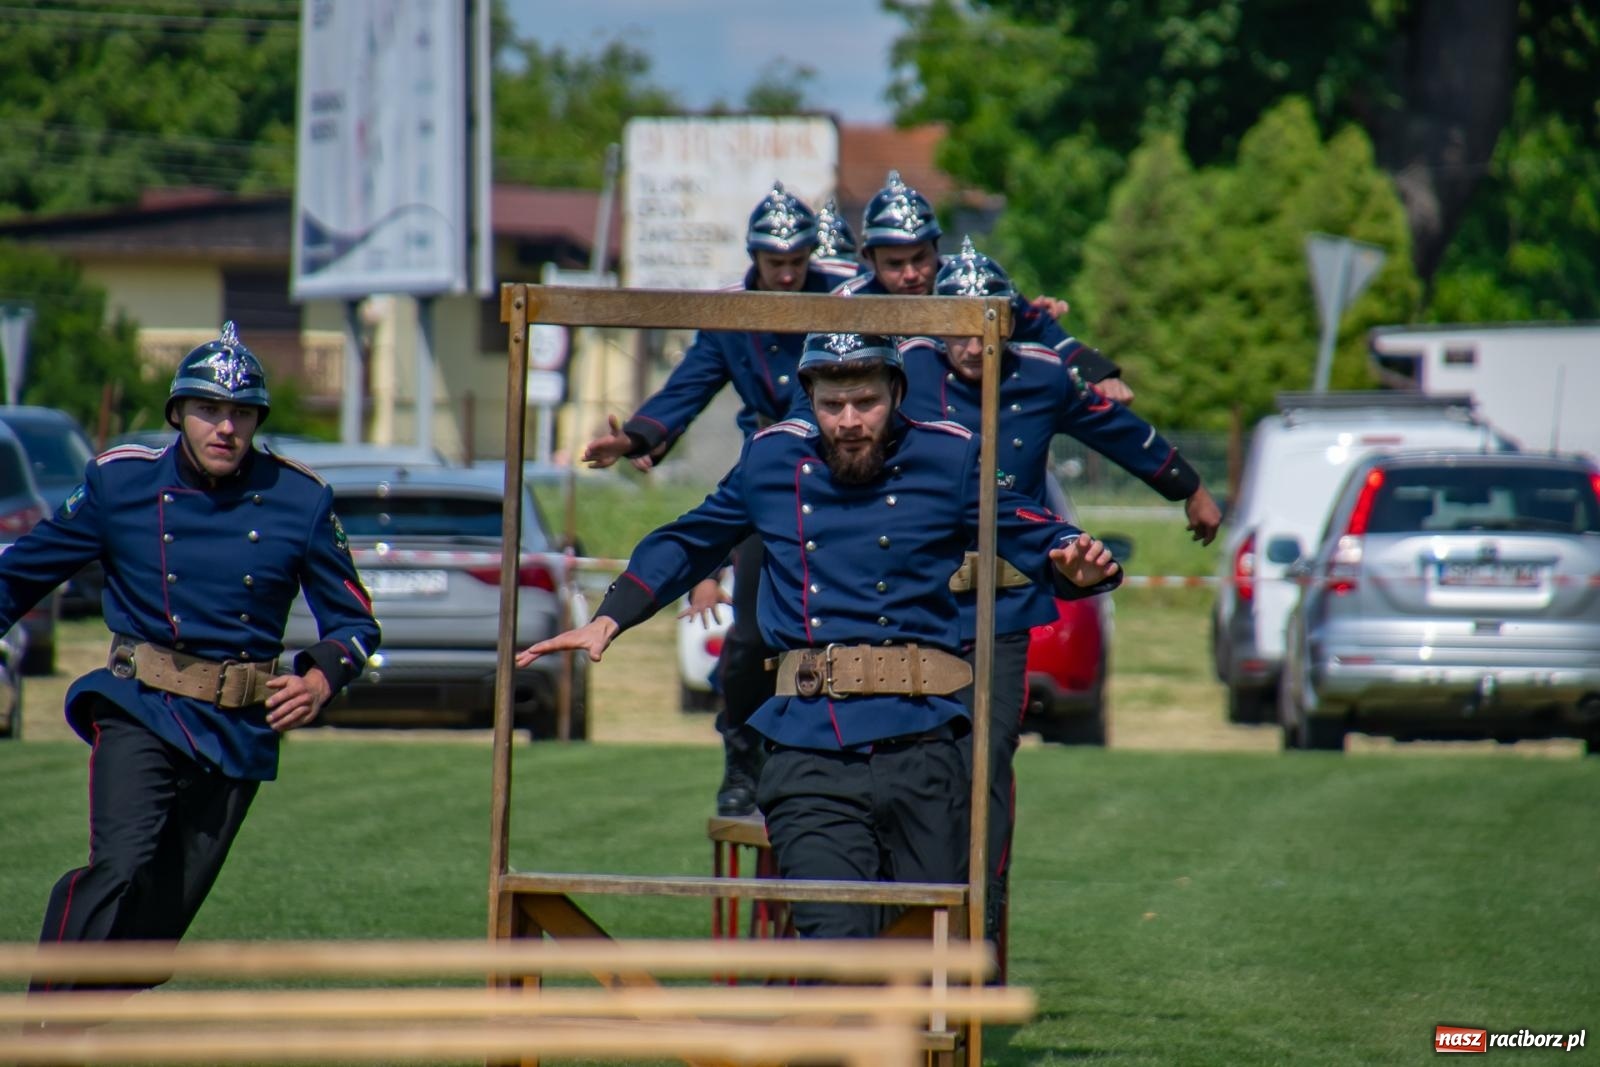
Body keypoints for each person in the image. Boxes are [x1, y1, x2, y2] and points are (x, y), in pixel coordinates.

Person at [520, 331, 1123, 939]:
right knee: (835, 948)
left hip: (926, 745)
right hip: (810, 747)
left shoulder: (951, 457)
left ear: (897, 392)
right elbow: (689, 538)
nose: (850, 421)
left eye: (866, 402)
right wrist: (610, 615)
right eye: (832, 405)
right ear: (809, 398)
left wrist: (1069, 560)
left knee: (926, 955)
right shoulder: (771, 459)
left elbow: (1030, 527)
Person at [0, 323, 381, 994]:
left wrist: (322, 674)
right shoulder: (120, 485)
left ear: (257, 419)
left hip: (238, 731)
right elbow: (20, 574)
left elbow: (354, 620)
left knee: (151, 933)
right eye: (209, 409)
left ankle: (76, 1030)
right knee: (118, 864)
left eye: (240, 413)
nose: (225, 427)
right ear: (178, 413)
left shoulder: (302, 499)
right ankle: (39, 1027)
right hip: (138, 707)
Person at [899, 239, 1222, 949]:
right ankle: (907, 906)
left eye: (984, 322)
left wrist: (1189, 486)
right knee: (918, 755)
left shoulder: (1042, 378)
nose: (968, 341)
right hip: (916, 600)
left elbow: (1120, 433)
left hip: (1006, 596)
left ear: (1009, 324)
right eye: (953, 321)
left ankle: (980, 907)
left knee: (990, 753)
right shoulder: (905, 367)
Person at [581, 181, 855, 818]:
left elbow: (930, 293)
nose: (787, 276)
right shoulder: (730, 314)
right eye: (774, 263)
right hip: (773, 475)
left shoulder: (846, 292)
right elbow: (690, 384)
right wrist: (636, 437)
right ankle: (740, 754)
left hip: (851, 471)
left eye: (797, 262)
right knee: (754, 631)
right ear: (754, 257)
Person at [836, 170, 1135, 404]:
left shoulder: (970, 282)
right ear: (870, 258)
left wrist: (1101, 374)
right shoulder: (847, 306)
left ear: (937, 247)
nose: (911, 273)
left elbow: (1042, 328)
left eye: (920, 258)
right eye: (895, 264)